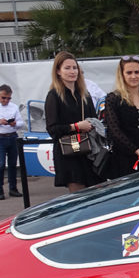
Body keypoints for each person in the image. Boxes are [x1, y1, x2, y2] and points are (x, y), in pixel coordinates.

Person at [45, 51, 102, 192]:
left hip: (88, 151)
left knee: (96, 193)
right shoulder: (54, 95)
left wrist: (93, 125)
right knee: (78, 196)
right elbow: (52, 129)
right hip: (69, 152)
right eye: (67, 68)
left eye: (74, 68)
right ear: (58, 71)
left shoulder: (84, 95)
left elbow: (94, 119)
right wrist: (75, 126)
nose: (72, 71)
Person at [105, 56, 139, 177]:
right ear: (122, 75)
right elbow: (115, 131)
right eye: (129, 72)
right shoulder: (113, 99)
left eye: (137, 72)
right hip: (124, 162)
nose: (134, 76)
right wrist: (138, 152)